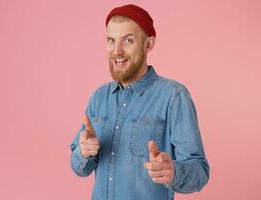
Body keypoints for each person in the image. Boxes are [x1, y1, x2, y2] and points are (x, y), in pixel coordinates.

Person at [70, 4, 209, 200]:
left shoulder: (174, 97)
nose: (117, 51)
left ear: (148, 44)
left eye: (128, 40)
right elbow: (78, 168)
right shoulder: (98, 98)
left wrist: (174, 172)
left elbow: (200, 171)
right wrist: (84, 153)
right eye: (111, 40)